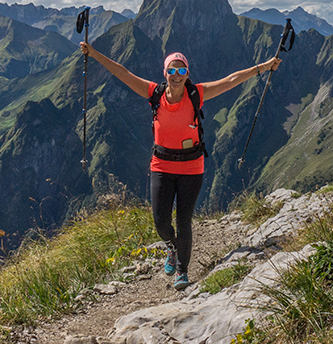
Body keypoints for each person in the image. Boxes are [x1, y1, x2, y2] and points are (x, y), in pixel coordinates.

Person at [79, 41, 281, 290]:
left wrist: (264, 67)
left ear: (187, 73)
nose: (176, 76)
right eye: (172, 71)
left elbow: (232, 80)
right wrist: (94, 53)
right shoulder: (153, 92)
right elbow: (122, 72)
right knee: (161, 221)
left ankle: (182, 271)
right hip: (161, 165)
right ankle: (172, 247)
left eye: (181, 71)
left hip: (191, 166)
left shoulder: (197, 94)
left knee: (184, 220)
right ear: (165, 73)